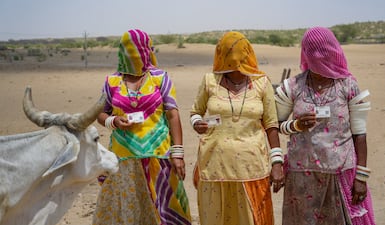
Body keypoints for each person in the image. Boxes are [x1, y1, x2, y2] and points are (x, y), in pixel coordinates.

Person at [274, 26, 376, 225]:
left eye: (323, 51)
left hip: (340, 175)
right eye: (313, 52)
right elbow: (275, 124)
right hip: (301, 176)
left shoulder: (348, 86)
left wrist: (361, 178)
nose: (319, 57)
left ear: (333, 51)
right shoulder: (292, 86)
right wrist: (295, 125)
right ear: (306, 54)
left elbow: (359, 134)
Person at [92, 29, 192, 225]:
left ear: (147, 50)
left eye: (138, 50)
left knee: (162, 211)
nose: (134, 55)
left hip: (158, 157)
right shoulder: (112, 81)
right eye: (129, 51)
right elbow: (99, 112)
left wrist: (178, 153)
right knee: (130, 212)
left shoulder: (160, 78)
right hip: (124, 160)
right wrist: (113, 121)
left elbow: (172, 114)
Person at [190, 31, 284, 225]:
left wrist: (277, 163)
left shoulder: (261, 83)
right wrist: (197, 123)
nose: (234, 58)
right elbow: (195, 112)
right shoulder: (210, 81)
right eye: (228, 52)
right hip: (214, 167)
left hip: (252, 168)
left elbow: (271, 125)